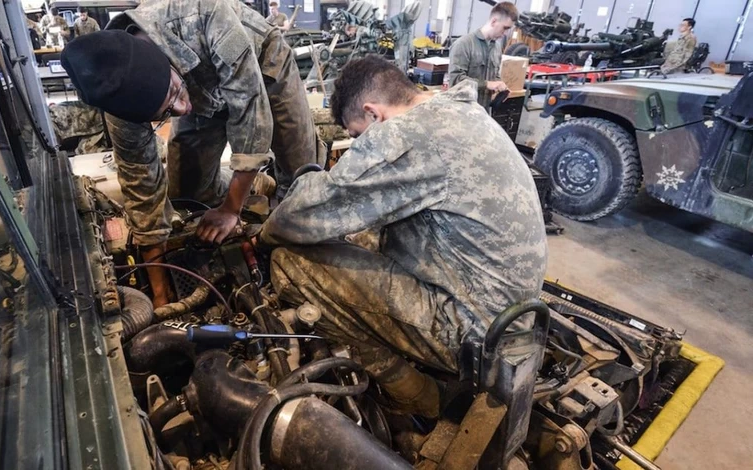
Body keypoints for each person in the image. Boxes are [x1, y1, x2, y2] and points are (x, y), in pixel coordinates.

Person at [258, 56, 548, 417]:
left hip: (473, 333)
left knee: (290, 263)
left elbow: (299, 215)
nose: (358, 145)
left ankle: (418, 394)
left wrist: (262, 237)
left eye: (357, 136)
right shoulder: (459, 112)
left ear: (373, 113)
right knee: (361, 237)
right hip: (510, 315)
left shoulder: (405, 136)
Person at [61, 0, 320, 306]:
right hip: (200, 90)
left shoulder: (207, 14)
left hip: (263, 64)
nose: (182, 109)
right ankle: (253, 186)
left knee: (302, 183)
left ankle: (254, 192)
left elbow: (251, 115)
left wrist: (231, 209)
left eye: (173, 93)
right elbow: (142, 188)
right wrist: (160, 295)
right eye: (166, 113)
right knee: (187, 192)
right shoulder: (120, 107)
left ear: (163, 59)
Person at [447, 1, 518, 106]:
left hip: (484, 110)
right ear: (494, 21)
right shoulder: (464, 44)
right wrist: (487, 84)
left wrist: (500, 86)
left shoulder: (496, 48)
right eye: (505, 28)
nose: (506, 34)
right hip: (463, 110)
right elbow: (456, 80)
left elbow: (495, 76)